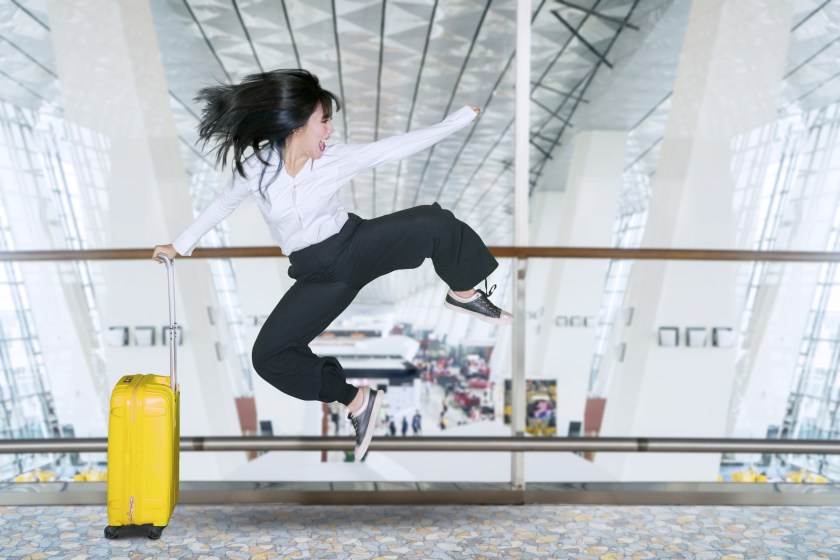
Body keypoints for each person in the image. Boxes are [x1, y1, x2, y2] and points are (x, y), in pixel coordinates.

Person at [152, 69, 512, 462]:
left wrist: (456, 121)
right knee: (268, 357)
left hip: (354, 246)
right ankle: (356, 399)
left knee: (434, 221)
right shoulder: (255, 169)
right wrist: (178, 245)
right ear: (296, 125)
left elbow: (396, 147)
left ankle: (463, 295)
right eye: (323, 121)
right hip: (319, 276)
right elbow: (221, 205)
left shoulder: (336, 159)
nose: (330, 129)